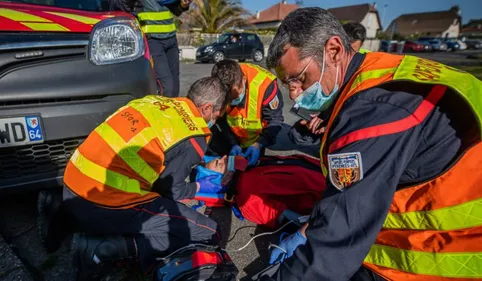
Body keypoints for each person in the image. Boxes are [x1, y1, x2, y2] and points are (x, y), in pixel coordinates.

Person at [261, 7, 482, 281]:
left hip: (449, 254)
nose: (294, 94)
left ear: (333, 50)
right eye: (287, 84)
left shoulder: (371, 111)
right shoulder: (380, 73)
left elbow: (338, 242)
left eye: (298, 78)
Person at [63, 77, 229, 280]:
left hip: (73, 183)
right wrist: (198, 186)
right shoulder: (194, 136)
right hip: (102, 204)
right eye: (217, 115)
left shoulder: (152, 102)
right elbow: (170, 191)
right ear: (207, 108)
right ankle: (105, 249)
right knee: (209, 233)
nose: (215, 120)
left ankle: (96, 235)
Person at [210, 60, 284, 166]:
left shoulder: (265, 86)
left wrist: (259, 143)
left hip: (257, 139)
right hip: (233, 137)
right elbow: (220, 120)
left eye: (234, 97)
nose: (231, 103)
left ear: (244, 80)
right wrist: (233, 142)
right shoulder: (218, 85)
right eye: (228, 99)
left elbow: (274, 120)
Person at [133, 0, 193, 97]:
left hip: (171, 38)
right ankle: (164, 109)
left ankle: (172, 109)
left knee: (174, 85)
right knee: (166, 85)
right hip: (153, 40)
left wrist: (183, 5)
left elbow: (176, 10)